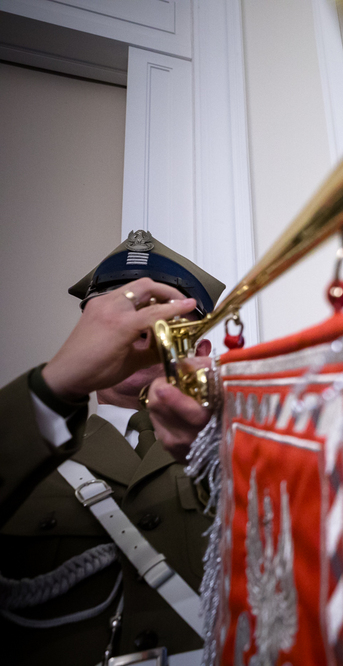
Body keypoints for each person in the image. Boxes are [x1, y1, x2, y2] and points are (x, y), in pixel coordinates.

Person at [0, 230, 223, 666]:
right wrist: (55, 384)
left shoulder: (238, 446)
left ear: (200, 347)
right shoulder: (27, 444)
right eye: (119, 314)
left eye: (162, 315)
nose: (140, 329)